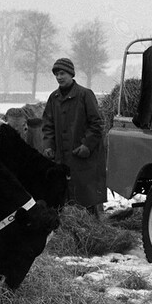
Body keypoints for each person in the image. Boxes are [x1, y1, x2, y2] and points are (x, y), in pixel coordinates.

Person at [41, 57, 107, 217]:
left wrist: (87, 145)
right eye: (56, 74)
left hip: (83, 158)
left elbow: (97, 123)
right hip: (61, 159)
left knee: (86, 198)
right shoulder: (53, 98)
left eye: (62, 73)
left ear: (71, 74)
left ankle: (94, 230)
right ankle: (68, 232)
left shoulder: (85, 95)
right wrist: (48, 145)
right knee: (64, 199)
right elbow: (47, 125)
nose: (59, 77)